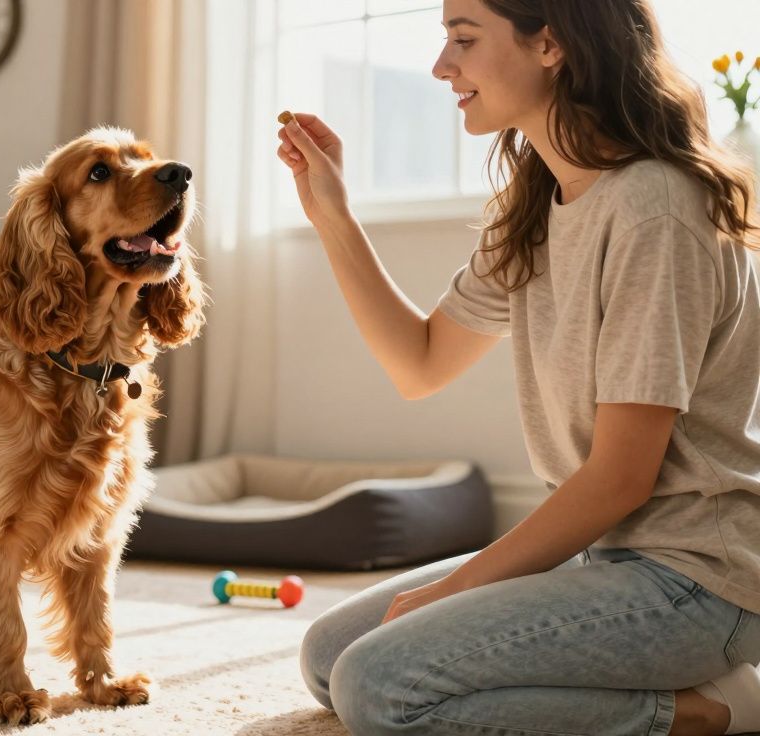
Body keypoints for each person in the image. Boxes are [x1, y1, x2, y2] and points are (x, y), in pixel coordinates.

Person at [276, 1, 760, 734]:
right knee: (329, 656)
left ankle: (716, 709)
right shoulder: (537, 203)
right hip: (604, 555)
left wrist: (452, 594)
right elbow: (420, 365)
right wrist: (331, 213)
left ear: (550, 45)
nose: (441, 67)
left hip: (697, 580)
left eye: (464, 39)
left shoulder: (655, 208)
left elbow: (621, 478)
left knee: (378, 688)